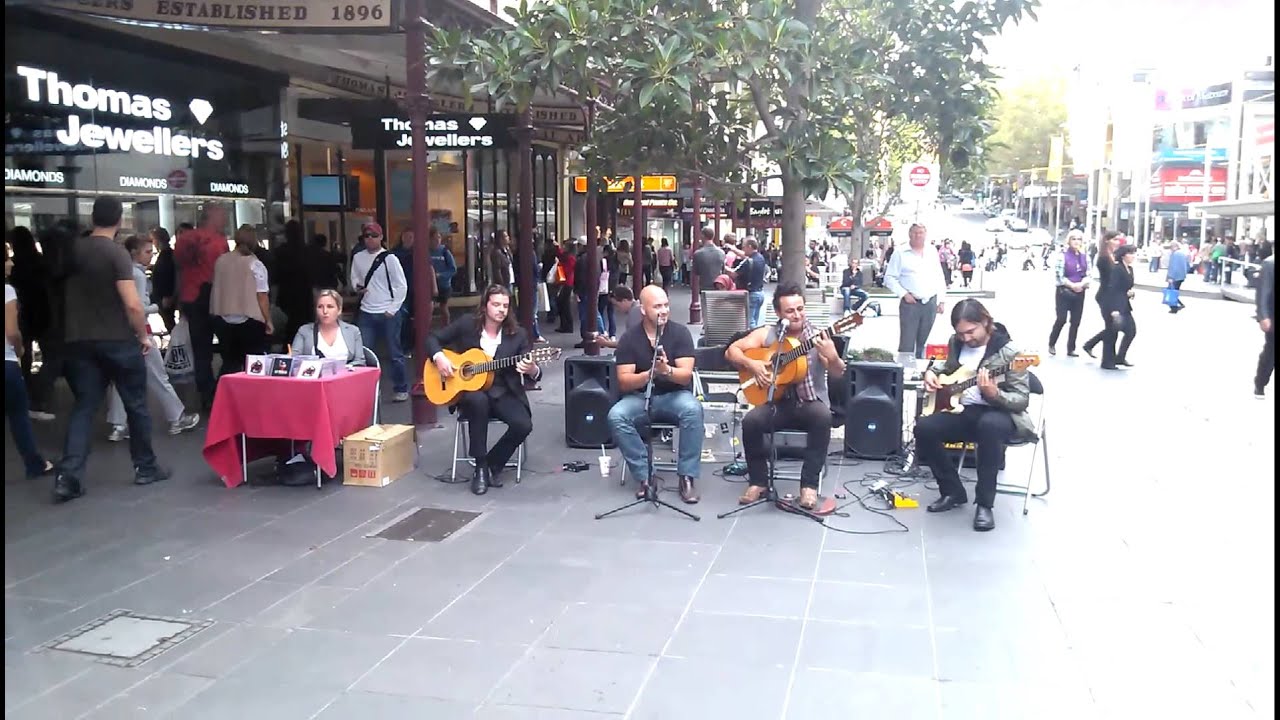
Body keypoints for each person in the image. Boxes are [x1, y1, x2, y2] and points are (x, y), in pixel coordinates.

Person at [55, 196, 170, 503]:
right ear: (119, 220)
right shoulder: (115, 253)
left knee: (85, 406)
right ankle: (145, 467)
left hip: (79, 340)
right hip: (117, 339)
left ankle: (69, 476)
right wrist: (142, 336)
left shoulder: (74, 251)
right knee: (135, 404)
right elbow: (132, 303)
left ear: (93, 218)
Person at [916, 299, 1034, 531]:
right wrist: (931, 372)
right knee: (924, 428)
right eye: (961, 334)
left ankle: (984, 504)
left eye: (971, 332)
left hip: (999, 414)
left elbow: (1022, 399)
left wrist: (994, 393)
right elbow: (948, 367)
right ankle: (952, 491)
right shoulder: (956, 343)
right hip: (965, 410)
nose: (966, 338)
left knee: (989, 427)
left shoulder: (1010, 353)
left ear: (986, 322)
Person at [727, 283, 843, 510]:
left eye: (800, 309)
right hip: (776, 403)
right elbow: (731, 351)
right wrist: (753, 365)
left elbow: (838, 372)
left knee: (822, 417)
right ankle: (758, 481)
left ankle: (808, 486)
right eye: (790, 311)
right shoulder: (768, 334)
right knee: (751, 421)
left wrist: (833, 356)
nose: (797, 315)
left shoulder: (818, 337)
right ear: (779, 313)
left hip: (809, 403)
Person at [427, 285, 540, 495]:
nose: (501, 310)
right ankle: (479, 466)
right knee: (478, 401)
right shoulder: (467, 325)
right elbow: (432, 339)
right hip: (470, 392)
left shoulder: (518, 334)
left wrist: (532, 369)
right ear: (485, 305)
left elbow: (533, 369)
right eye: (496, 304)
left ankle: (492, 464)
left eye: (505, 306)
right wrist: (439, 357)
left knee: (523, 425)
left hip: (504, 391)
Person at [606, 285, 703, 503]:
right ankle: (645, 476)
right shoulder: (630, 339)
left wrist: (666, 371)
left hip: (674, 396)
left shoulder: (680, 333)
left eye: (666, 305)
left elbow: (685, 376)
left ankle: (686, 477)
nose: (664, 310)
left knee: (693, 409)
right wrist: (649, 375)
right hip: (640, 397)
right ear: (643, 309)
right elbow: (624, 381)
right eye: (657, 306)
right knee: (616, 416)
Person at [105, 235, 200, 441]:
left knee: (121, 380)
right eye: (147, 252)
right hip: (141, 333)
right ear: (134, 253)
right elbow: (136, 307)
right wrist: (155, 307)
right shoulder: (136, 276)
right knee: (159, 377)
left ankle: (118, 425)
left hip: (122, 333)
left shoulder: (119, 273)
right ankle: (177, 417)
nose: (151, 255)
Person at [5, 241, 54, 478]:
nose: (11, 263)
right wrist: (19, 349)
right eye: (6, 259)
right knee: (18, 415)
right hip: (6, 362)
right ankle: (34, 464)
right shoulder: (7, 291)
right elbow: (11, 331)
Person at [175, 204, 229, 410]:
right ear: (212, 216)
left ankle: (206, 392)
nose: (224, 217)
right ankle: (216, 389)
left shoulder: (186, 239)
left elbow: (179, 266)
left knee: (201, 349)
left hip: (192, 296)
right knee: (223, 345)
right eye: (222, 213)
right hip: (211, 296)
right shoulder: (218, 241)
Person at [350, 221, 409, 401]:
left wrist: (392, 309)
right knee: (364, 352)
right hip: (367, 309)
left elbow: (401, 285)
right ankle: (368, 388)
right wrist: (357, 287)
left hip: (387, 311)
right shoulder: (358, 257)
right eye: (366, 236)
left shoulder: (390, 259)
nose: (370, 240)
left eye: (374, 236)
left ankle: (401, 387)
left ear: (381, 237)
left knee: (394, 353)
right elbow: (354, 278)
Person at [211, 225, 273, 377]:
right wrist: (268, 320)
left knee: (229, 364)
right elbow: (262, 296)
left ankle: (224, 395)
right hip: (249, 320)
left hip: (223, 318)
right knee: (254, 366)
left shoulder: (220, 261)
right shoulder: (255, 264)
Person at [884, 224, 947, 358]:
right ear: (909, 234)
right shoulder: (900, 253)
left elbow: (939, 276)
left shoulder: (931, 251)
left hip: (930, 302)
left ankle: (919, 370)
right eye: (915, 233)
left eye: (921, 233)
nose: (918, 236)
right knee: (907, 342)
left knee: (922, 342)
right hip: (911, 303)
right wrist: (904, 294)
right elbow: (889, 277)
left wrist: (941, 300)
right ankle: (905, 369)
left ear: (925, 234)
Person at [290, 289, 367, 365]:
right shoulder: (304, 331)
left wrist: (345, 369)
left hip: (345, 375)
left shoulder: (353, 331)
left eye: (330, 307)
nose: (325, 311)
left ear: (339, 310)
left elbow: (360, 361)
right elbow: (294, 358)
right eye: (320, 307)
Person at [1047, 230, 1090, 357]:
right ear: (1069, 241)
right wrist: (1072, 285)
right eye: (1074, 239)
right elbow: (1059, 276)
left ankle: (1071, 348)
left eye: (1079, 239)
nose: (1077, 242)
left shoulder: (1084, 257)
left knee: (1075, 321)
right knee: (1061, 319)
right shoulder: (1062, 256)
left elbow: (1088, 274)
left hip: (1080, 292)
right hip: (1064, 292)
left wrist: (1082, 284)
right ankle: (1052, 343)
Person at [1082, 231, 1124, 359]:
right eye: (1115, 239)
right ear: (1107, 240)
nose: (1118, 243)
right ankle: (1099, 351)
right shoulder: (1104, 258)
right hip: (1106, 295)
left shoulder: (1114, 255)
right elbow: (1110, 279)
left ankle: (1090, 344)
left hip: (1111, 295)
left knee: (1113, 327)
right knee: (1112, 327)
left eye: (1119, 240)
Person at [1099, 244, 1138, 370]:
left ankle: (1120, 357)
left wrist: (1130, 292)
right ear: (1123, 255)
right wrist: (1114, 309)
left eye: (1134, 253)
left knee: (1131, 331)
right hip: (1115, 305)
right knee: (1111, 333)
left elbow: (1126, 286)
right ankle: (1107, 362)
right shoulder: (1117, 269)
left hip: (1125, 304)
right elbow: (1113, 288)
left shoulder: (1129, 269)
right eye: (1130, 253)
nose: (1133, 256)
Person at [149, 226, 179, 331]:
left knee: (169, 322)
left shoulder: (167, 256)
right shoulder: (167, 255)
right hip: (163, 295)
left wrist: (168, 295)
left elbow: (169, 276)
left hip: (165, 296)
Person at [1255, 254, 1275, 398]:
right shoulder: (1270, 263)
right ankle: (1260, 383)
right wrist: (1263, 315)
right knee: (1271, 353)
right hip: (1273, 315)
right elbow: (1264, 292)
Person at [430, 229, 457, 328]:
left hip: (443, 285)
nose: (437, 240)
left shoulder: (445, 251)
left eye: (439, 238)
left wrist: (441, 275)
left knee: (443, 307)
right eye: (434, 238)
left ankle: (446, 327)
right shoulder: (426, 251)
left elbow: (453, 269)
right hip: (429, 285)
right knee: (429, 308)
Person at [739, 238, 769, 327]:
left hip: (752, 293)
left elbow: (734, 274)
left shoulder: (749, 261)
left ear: (749, 246)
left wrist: (724, 267)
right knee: (755, 320)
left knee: (750, 321)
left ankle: (753, 338)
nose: (743, 249)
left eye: (744, 247)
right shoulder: (760, 258)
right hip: (760, 292)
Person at [692, 228, 726, 296]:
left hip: (705, 287)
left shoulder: (698, 254)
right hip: (718, 286)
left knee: (705, 305)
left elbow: (696, 272)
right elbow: (723, 270)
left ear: (702, 236)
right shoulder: (721, 253)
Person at [1165, 240, 1190, 313]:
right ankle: (1178, 305)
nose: (1170, 249)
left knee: (1171, 291)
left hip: (1175, 277)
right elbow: (1187, 265)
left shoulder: (1174, 255)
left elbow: (1173, 266)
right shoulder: (1183, 254)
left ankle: (1175, 307)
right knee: (1174, 291)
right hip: (1181, 276)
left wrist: (1170, 277)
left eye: (1171, 247)